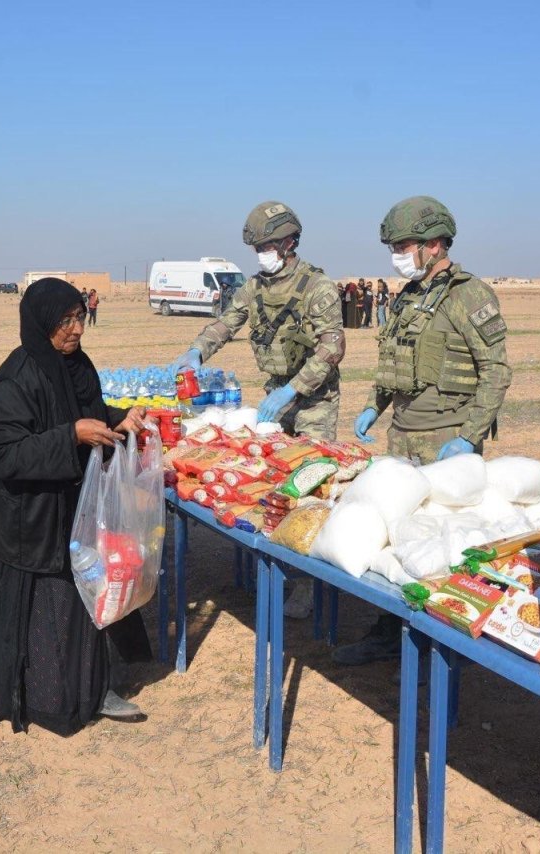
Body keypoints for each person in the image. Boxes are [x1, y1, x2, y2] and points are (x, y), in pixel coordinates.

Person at [338, 196, 512, 666]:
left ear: (434, 244)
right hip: (403, 435)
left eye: (403, 245)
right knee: (399, 539)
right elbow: (394, 362)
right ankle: (388, 633)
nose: (396, 254)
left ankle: (438, 651)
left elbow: (495, 370)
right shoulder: (410, 295)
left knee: (443, 546)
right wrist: (373, 407)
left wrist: (470, 433)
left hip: (446, 439)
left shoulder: (469, 294)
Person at [0, 278, 150, 734]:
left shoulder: (76, 365)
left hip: (69, 508)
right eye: (64, 321)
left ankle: (92, 690)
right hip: (25, 519)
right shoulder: (15, 380)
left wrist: (118, 419)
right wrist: (70, 436)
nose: (75, 330)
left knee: (80, 603)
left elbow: (81, 407)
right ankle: (44, 698)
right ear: (40, 323)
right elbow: (6, 454)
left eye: (79, 318)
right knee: (43, 612)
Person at [171, 201, 345, 440]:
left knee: (310, 463)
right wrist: (196, 352)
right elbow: (226, 323)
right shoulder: (254, 286)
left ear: (289, 241)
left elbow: (332, 347)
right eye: (258, 248)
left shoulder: (317, 286)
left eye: (267, 246)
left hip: (314, 400)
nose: (262, 253)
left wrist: (292, 389)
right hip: (275, 393)